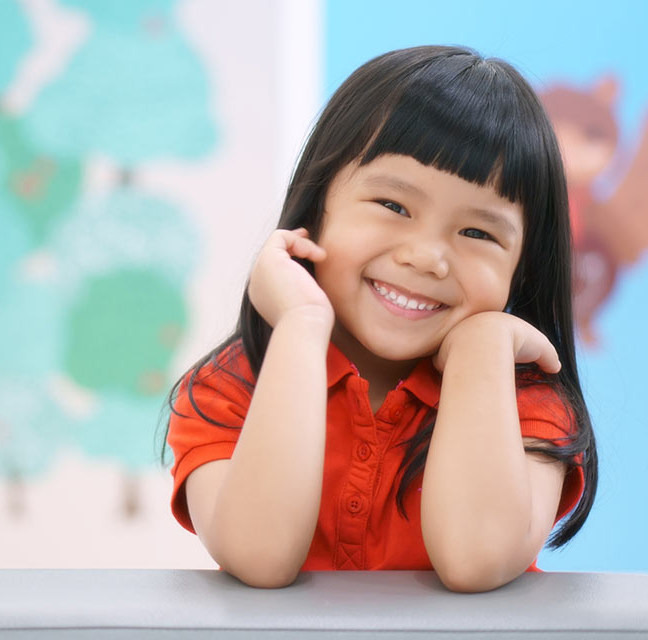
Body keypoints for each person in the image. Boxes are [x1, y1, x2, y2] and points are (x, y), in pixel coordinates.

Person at [164, 45, 597, 592]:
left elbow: (476, 560)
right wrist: (300, 322)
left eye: (478, 233)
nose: (427, 257)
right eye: (393, 206)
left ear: (523, 269)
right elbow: (258, 556)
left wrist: (479, 350)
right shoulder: (230, 386)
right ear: (316, 204)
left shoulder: (525, 404)